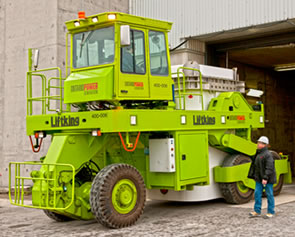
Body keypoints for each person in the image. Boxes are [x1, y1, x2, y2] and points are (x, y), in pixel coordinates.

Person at [248, 136, 276, 219]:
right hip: (259, 179)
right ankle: (257, 211)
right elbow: (255, 166)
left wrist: (265, 177)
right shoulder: (258, 153)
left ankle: (271, 212)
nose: (258, 144)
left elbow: (269, 167)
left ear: (264, 145)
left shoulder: (268, 155)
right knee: (257, 194)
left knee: (269, 194)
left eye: (259, 143)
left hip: (267, 179)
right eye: (258, 142)